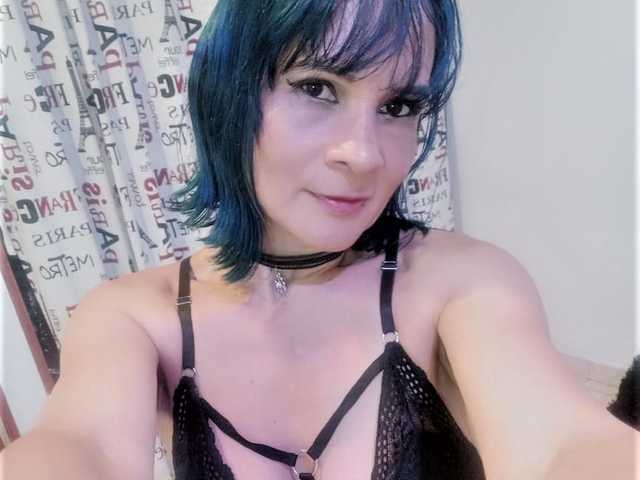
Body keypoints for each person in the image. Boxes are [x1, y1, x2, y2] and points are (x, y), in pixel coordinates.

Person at [1, 0, 637, 479]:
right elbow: (79, 448)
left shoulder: (460, 281)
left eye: (398, 106)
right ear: (227, 95)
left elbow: (563, 446)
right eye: (316, 87)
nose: (364, 154)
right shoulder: (132, 317)